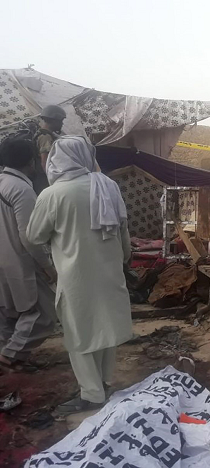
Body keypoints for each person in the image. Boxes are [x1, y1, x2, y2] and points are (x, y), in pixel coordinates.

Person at [27, 135, 132, 414]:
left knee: (80, 334)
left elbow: (35, 235)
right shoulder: (107, 185)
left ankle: (92, 394)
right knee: (105, 328)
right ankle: (104, 383)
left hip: (77, 277)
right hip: (109, 271)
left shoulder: (53, 194)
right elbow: (123, 230)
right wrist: (123, 259)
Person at [0, 139, 57, 372]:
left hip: (4, 258)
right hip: (20, 259)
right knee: (43, 313)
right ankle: (11, 354)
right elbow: (29, 235)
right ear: (30, 161)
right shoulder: (21, 189)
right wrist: (47, 266)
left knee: (8, 312)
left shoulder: (3, 182)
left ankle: (8, 354)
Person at [32, 105, 66, 195]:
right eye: (60, 121)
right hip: (44, 179)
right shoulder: (45, 137)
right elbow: (45, 162)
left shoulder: (45, 134)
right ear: (53, 120)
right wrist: (53, 181)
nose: (62, 124)